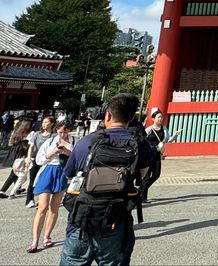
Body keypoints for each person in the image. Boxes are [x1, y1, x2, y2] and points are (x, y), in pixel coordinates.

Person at [60, 93, 153, 266]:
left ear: (108, 114)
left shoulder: (86, 142)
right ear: (132, 117)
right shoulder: (139, 144)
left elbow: (70, 174)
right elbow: (143, 175)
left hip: (82, 220)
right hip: (116, 220)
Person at [28, 120, 75, 253]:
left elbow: (78, 158)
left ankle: (47, 236)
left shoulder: (74, 141)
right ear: (56, 131)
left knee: (54, 206)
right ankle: (34, 241)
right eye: (60, 131)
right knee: (42, 207)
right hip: (48, 171)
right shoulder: (50, 142)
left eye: (65, 131)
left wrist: (68, 152)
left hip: (62, 173)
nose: (63, 134)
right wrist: (52, 153)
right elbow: (39, 159)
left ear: (69, 130)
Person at [24, 115, 55, 208]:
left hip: (47, 161)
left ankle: (41, 201)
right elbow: (31, 146)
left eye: (46, 122)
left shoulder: (54, 136)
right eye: (43, 122)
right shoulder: (37, 134)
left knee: (44, 181)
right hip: (35, 160)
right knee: (32, 180)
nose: (44, 124)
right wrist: (28, 157)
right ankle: (29, 200)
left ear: (52, 124)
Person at [0, 118, 32, 198]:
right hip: (19, 155)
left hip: (14, 154)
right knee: (14, 173)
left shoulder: (17, 132)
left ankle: (17, 188)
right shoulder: (26, 135)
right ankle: (2, 190)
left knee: (16, 171)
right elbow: (25, 147)